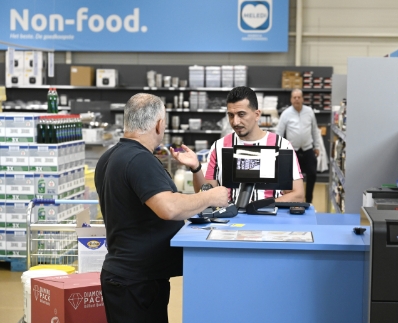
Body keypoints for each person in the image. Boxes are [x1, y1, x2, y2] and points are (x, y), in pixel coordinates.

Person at [94, 93, 229, 323]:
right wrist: (210, 197)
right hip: (137, 284)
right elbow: (168, 207)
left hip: (127, 278)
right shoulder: (139, 159)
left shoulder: (109, 157)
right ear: (158, 124)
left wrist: (196, 171)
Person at [171, 86, 304, 203]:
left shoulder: (282, 146)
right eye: (231, 115)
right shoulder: (219, 147)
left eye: (241, 114)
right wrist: (196, 168)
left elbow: (297, 195)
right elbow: (207, 194)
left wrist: (261, 206)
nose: (235, 122)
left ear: (257, 114)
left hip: (270, 222)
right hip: (230, 223)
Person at [276, 88, 321, 203]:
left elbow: (315, 130)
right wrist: (279, 149)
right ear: (291, 99)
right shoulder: (286, 114)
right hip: (293, 151)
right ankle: (293, 201)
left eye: (299, 97)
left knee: (312, 174)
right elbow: (279, 132)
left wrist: (317, 146)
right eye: (294, 97)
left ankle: (309, 200)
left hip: (307, 149)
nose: (296, 99)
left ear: (302, 99)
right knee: (291, 177)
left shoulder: (309, 111)